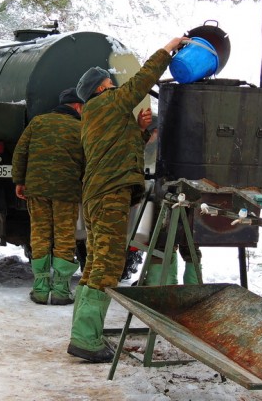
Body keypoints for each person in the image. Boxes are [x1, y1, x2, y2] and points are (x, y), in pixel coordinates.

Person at [67, 36, 185, 363]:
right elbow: (143, 79)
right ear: (103, 87)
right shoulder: (109, 102)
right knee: (106, 265)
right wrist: (167, 49)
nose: (115, 84)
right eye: (110, 81)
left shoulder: (96, 113)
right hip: (108, 196)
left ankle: (84, 333)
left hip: (99, 193)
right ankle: (86, 340)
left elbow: (119, 148)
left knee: (95, 263)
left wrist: (141, 130)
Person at [12, 87, 85, 305]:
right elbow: (89, 160)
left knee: (40, 234)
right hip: (67, 191)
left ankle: (41, 288)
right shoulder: (81, 128)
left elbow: (20, 153)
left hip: (37, 189)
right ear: (78, 106)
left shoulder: (38, 122)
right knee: (64, 237)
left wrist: (19, 181)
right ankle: (61, 290)